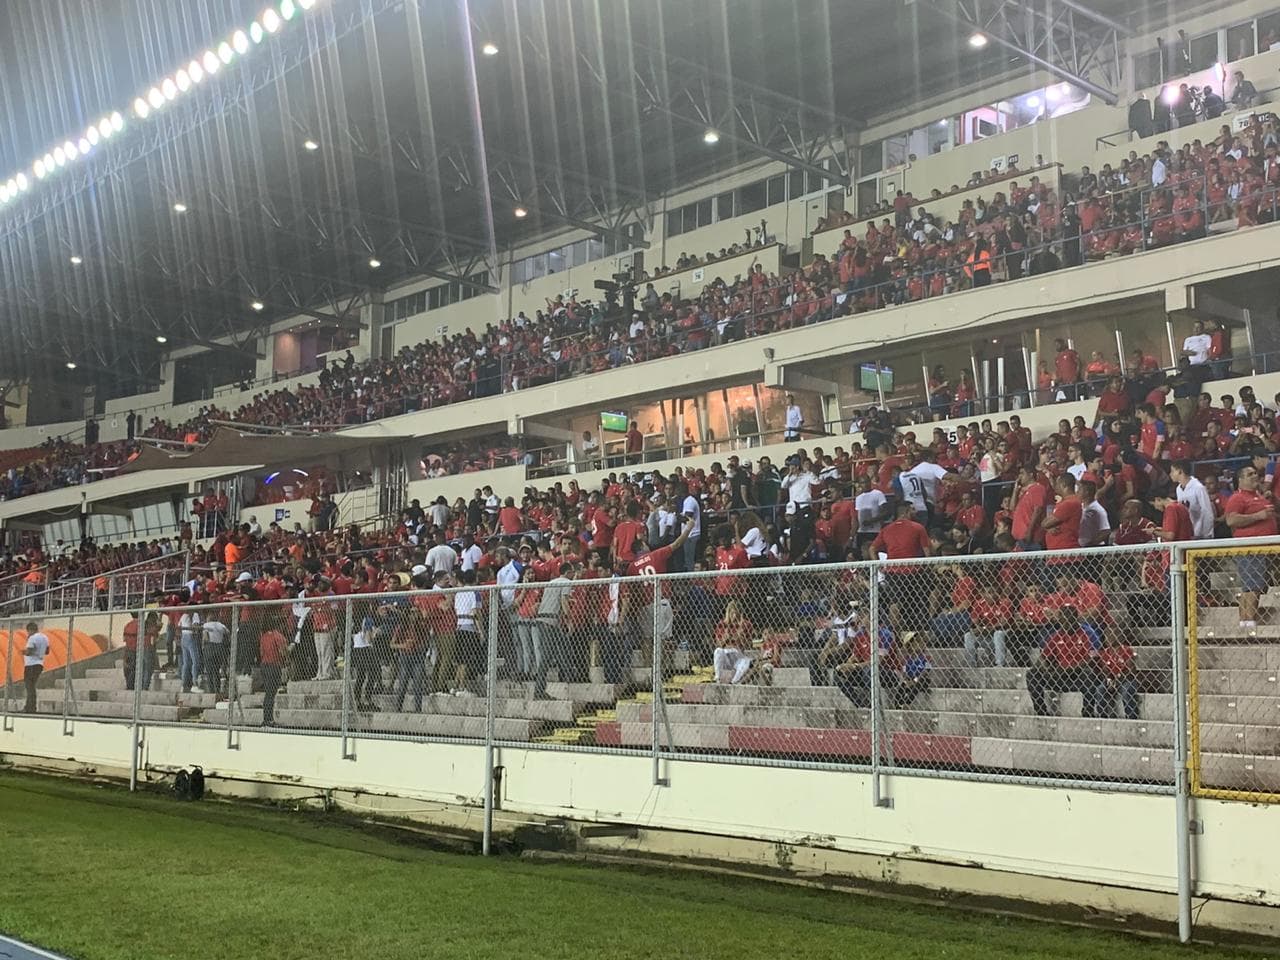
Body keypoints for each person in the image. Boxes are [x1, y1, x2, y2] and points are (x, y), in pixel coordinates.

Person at [1224, 465, 1278, 630]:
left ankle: (1246, 623)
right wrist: (1258, 516)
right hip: (1250, 548)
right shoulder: (1237, 498)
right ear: (1240, 480)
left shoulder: (1259, 496)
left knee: (1253, 585)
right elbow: (1231, 521)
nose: (1255, 475)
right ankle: (1248, 623)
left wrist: (1272, 500)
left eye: (1255, 473)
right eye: (1250, 474)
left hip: (1264, 549)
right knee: (1252, 586)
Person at [1026, 605, 1099, 717]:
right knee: (1032, 674)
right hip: (1059, 675)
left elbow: (1092, 658)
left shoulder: (1088, 633)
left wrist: (1072, 669)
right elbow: (1042, 657)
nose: (1066, 624)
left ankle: (1087, 710)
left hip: (1078, 675)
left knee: (1089, 673)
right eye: (1063, 620)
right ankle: (1041, 710)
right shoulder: (1057, 635)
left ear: (1076, 619)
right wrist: (1047, 669)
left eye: (1069, 620)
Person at [1095, 631, 1139, 720]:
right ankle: (1102, 716)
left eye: (1112, 635)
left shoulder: (1126, 650)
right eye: (1107, 635)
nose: (1109, 638)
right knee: (1100, 690)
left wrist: (1118, 680)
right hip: (1113, 679)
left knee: (1125, 691)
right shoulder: (1105, 652)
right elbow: (1105, 670)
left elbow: (1131, 671)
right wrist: (1109, 679)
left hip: (1126, 679)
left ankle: (1131, 716)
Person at [1169, 459, 1214, 539]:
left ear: (1180, 471)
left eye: (1172, 471)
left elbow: (1207, 512)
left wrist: (1206, 534)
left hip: (1201, 534)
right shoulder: (1178, 489)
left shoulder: (1198, 487)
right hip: (1188, 533)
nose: (1170, 474)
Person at [258, 614, 288, 726]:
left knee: (268, 693)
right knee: (271, 693)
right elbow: (283, 651)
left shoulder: (264, 636)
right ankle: (268, 719)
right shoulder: (277, 636)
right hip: (274, 665)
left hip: (264, 665)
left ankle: (267, 718)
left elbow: (261, 652)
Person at [21, 621, 48, 713]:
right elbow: (47, 651)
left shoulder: (32, 638)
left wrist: (23, 652)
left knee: (29, 687)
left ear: (30, 630)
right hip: (39, 664)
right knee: (32, 686)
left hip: (31, 665)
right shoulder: (45, 637)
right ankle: (31, 706)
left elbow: (29, 652)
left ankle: (30, 707)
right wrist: (39, 652)